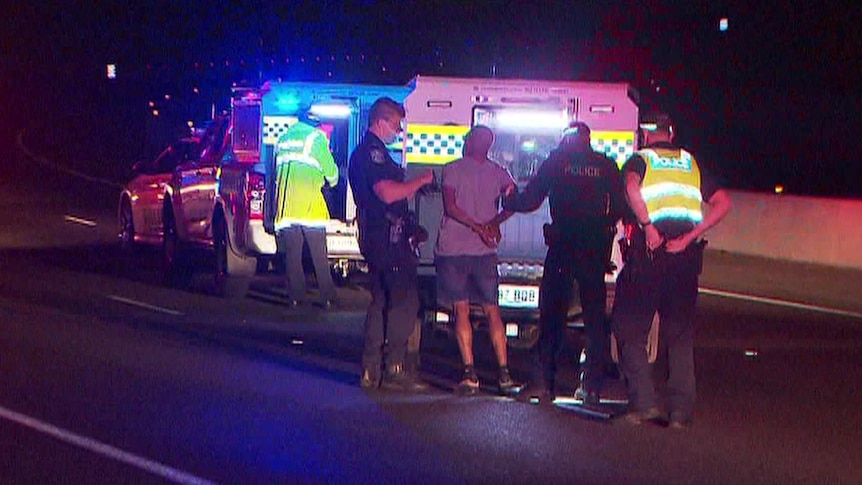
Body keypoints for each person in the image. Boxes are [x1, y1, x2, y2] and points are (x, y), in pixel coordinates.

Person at [612, 113, 732, 428]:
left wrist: (648, 226)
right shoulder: (691, 163)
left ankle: (644, 403)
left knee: (628, 327)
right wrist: (691, 236)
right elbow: (723, 203)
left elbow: (630, 187)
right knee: (679, 335)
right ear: (671, 132)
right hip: (685, 257)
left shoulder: (641, 159)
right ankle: (680, 412)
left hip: (650, 258)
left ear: (646, 134)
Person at [503, 121, 625, 404]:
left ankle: (543, 384)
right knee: (594, 320)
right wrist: (604, 227)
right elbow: (620, 205)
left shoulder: (558, 161)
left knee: (553, 314)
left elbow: (531, 199)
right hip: (595, 249)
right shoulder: (605, 164)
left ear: (567, 140)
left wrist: (508, 201)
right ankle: (592, 387)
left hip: (563, 246)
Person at [348, 97, 434, 391]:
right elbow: (386, 193)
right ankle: (394, 367)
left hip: (376, 235)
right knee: (404, 300)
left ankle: (371, 370)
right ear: (381, 122)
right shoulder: (373, 154)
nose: (398, 132)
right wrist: (420, 181)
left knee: (380, 300)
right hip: (387, 237)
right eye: (396, 126)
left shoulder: (367, 153)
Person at [434, 125, 522, 396]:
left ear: (471, 142)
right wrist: (492, 224)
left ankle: (470, 374)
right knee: (492, 310)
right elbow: (515, 200)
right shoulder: (499, 172)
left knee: (461, 310)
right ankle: (504, 375)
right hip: (484, 253)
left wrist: (477, 226)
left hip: (453, 250)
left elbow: (450, 206)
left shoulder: (452, 169)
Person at [274, 110, 340, 307]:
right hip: (310, 207)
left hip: (287, 208)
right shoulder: (315, 139)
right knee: (319, 255)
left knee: (292, 256)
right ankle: (327, 297)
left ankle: (295, 297)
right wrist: (332, 182)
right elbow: (332, 175)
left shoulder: (283, 139)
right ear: (315, 125)